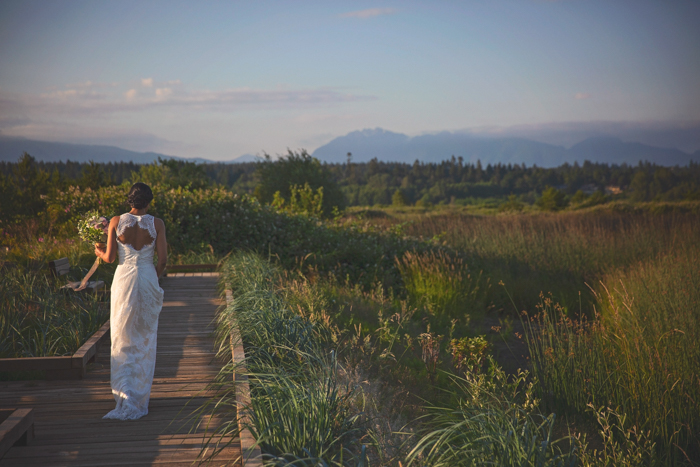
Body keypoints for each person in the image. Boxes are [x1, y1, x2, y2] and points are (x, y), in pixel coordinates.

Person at [94, 182, 167, 420]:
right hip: (146, 277)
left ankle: (124, 393)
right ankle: (140, 395)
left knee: (122, 335)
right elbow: (163, 260)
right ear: (149, 201)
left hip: (124, 279)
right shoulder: (157, 224)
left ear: (130, 201)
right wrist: (152, 278)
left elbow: (110, 257)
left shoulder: (116, 221)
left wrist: (98, 251)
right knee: (144, 337)